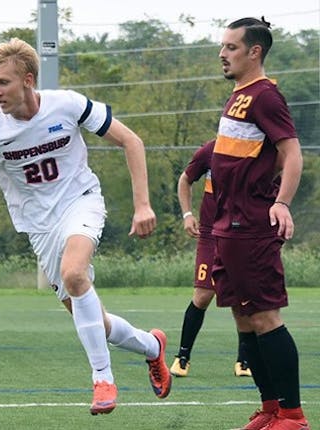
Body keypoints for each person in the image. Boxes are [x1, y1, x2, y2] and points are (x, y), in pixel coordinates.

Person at [0, 38, 171, 416]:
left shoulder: (67, 105)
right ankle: (152, 348)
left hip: (81, 201)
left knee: (74, 273)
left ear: (28, 80)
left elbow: (131, 141)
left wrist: (142, 205)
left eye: (3, 82)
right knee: (93, 320)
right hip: (39, 227)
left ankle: (102, 378)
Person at [212, 17, 308, 430]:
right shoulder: (239, 94)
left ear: (255, 52)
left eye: (232, 47)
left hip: (251, 223)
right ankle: (270, 409)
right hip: (226, 223)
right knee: (243, 316)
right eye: (223, 46)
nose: (222, 53)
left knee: (266, 318)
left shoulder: (267, 96)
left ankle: (293, 415)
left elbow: (293, 153)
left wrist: (282, 203)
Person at [170, 140, 251, 378]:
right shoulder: (210, 150)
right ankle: (182, 357)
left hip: (241, 235)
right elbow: (185, 179)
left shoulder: (257, 151)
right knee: (203, 294)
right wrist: (187, 215)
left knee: (241, 297)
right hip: (210, 234)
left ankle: (243, 361)